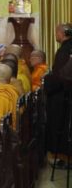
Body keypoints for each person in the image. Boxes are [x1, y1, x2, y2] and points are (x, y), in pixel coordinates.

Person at [45, 23, 72, 155]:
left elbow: (61, 76)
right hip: (65, 92)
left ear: (63, 33)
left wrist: (47, 83)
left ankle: (61, 154)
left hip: (63, 95)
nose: (56, 35)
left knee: (60, 123)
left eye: (57, 32)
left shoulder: (65, 50)